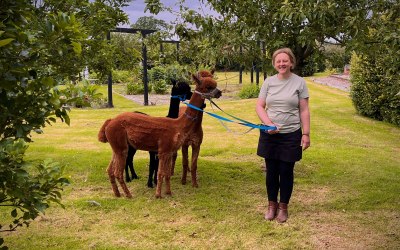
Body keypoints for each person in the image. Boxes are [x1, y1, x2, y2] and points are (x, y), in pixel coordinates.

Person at [256, 47, 310, 223]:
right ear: (274, 64)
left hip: (291, 134)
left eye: (285, 61)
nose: (282, 64)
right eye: (278, 61)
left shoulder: (299, 83)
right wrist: (268, 123)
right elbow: (259, 106)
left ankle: (283, 207)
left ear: (291, 62)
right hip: (270, 134)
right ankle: (272, 206)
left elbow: (304, 109)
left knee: (286, 171)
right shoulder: (268, 82)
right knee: (271, 171)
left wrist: (306, 134)